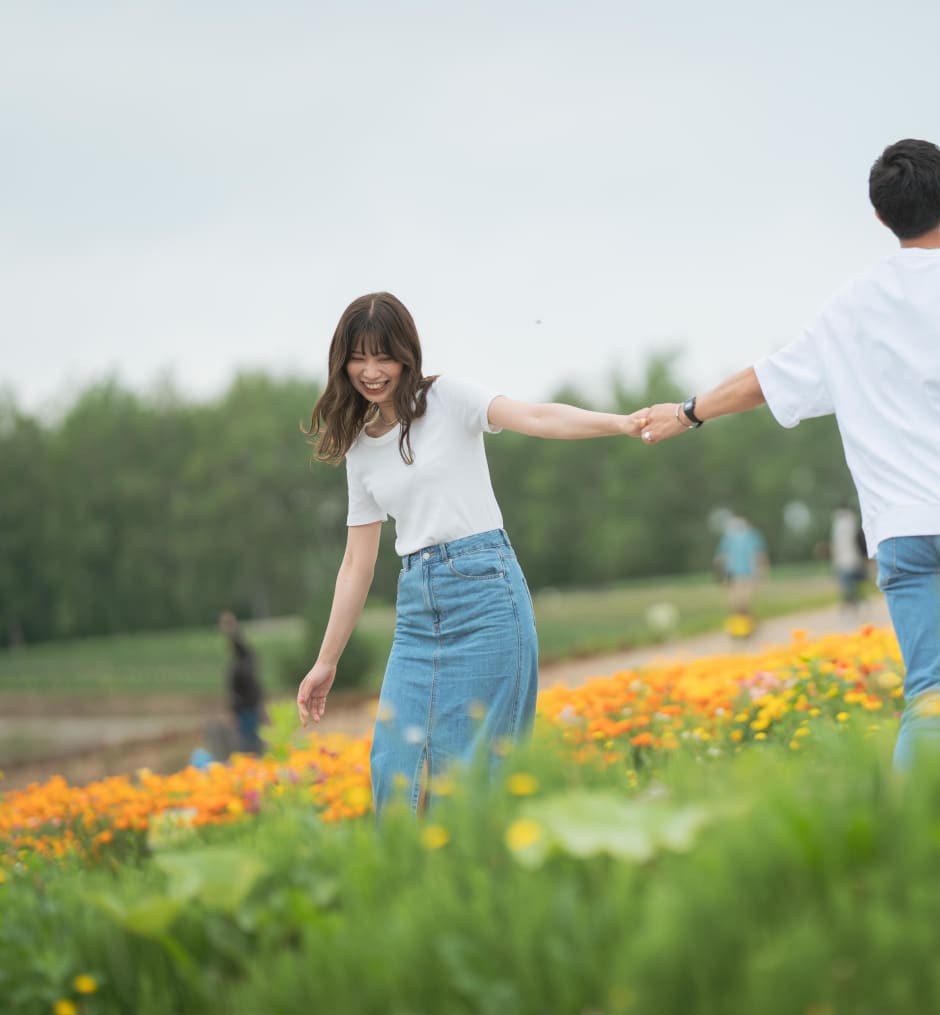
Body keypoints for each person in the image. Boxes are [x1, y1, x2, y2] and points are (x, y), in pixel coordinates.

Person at [640, 139, 940, 769]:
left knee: (932, 696)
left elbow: (766, 380)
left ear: (881, 217)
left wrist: (686, 412)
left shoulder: (850, 307)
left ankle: (909, 847)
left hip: (906, 532)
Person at [295, 291, 648, 815]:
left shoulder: (447, 398)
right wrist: (326, 661)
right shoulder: (359, 449)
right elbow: (357, 564)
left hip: (486, 597)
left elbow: (536, 417)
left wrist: (620, 422)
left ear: (406, 355)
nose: (370, 371)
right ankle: (412, 891)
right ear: (341, 361)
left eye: (382, 356)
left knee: (473, 777)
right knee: (393, 771)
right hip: (417, 614)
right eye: (358, 357)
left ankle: (482, 886)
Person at [219, 611, 266, 755]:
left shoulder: (240, 666)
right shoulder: (247, 662)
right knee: (254, 740)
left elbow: (240, 643)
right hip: (250, 706)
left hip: (246, 709)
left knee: (249, 742)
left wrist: (231, 629)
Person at [713, 514, 768, 634]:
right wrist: (721, 575)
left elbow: (759, 555)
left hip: (748, 574)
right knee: (735, 603)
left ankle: (749, 627)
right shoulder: (729, 538)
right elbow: (721, 557)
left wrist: (761, 573)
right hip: (732, 575)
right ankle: (737, 627)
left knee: (745, 602)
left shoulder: (753, 536)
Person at [830, 505, 868, 622]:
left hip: (848, 561)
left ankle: (853, 609)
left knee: (849, 587)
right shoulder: (852, 524)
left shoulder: (839, 526)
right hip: (851, 561)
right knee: (852, 587)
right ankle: (857, 607)